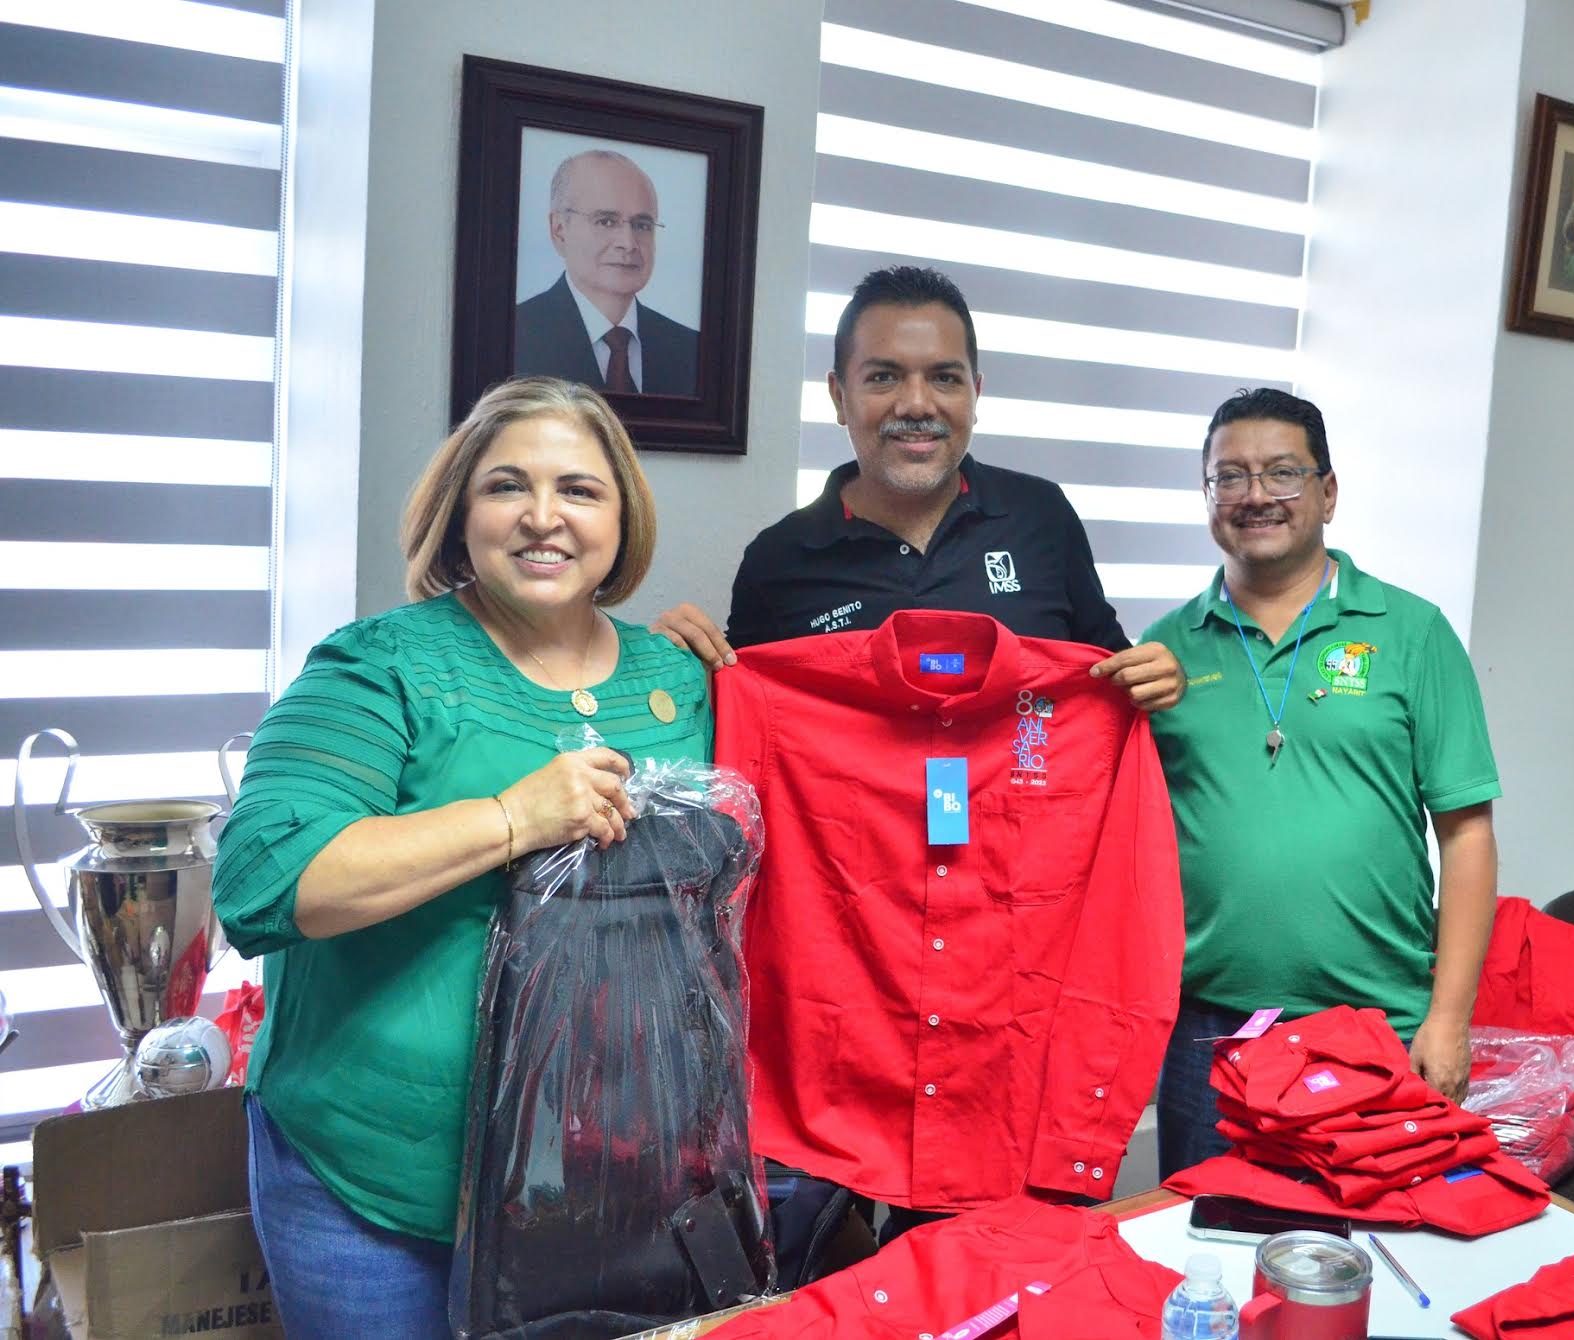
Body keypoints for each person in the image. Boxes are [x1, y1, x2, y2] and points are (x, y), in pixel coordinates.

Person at [212, 377, 712, 1338]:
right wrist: (511, 819)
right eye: (506, 486)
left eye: (579, 489)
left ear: (622, 519)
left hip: (608, 1179)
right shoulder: (376, 666)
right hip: (377, 1184)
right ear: (459, 513)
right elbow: (263, 882)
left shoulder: (676, 678)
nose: (542, 517)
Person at [1141, 387, 1500, 1177]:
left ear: (1327, 492)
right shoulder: (1164, 651)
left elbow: (1466, 833)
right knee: (1212, 1237)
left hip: (1378, 1020)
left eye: (1282, 473)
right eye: (1229, 476)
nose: (1254, 495)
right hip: (1208, 1028)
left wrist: (1448, 1019)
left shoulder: (1410, 632)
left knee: (1373, 1237)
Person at [653, 264, 1182, 711]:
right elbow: (742, 716)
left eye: (944, 378)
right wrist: (677, 667)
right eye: (883, 377)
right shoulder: (778, 558)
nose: (916, 404)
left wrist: (1160, 678)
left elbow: (1109, 674)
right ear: (838, 397)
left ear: (975, 394)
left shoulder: (1042, 516)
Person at [515, 149, 699, 396]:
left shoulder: (691, 348)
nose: (628, 243)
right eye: (606, 221)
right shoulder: (516, 334)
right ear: (559, 230)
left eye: (642, 225)